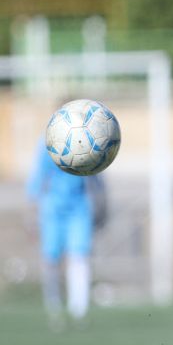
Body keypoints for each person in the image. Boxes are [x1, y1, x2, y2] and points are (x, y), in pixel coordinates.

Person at [26, 138, 105, 330]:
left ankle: (79, 311)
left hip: (79, 208)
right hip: (53, 209)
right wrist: (32, 212)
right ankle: (54, 308)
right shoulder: (47, 144)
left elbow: (96, 177)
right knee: (51, 259)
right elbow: (39, 177)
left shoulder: (87, 139)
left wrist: (101, 204)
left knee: (79, 257)